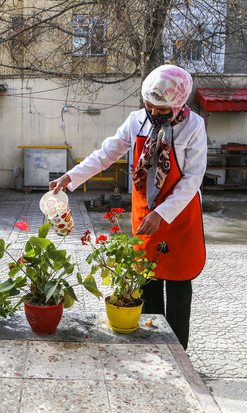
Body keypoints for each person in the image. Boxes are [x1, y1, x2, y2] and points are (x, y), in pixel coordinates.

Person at [49, 65, 207, 349]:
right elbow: (107, 153)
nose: (153, 113)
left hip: (179, 217)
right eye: (149, 105)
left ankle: (179, 355)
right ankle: (153, 350)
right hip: (145, 212)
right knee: (147, 284)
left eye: (161, 109)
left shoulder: (194, 126)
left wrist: (162, 213)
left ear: (179, 104)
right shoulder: (137, 121)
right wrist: (71, 176)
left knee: (180, 288)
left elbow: (193, 178)